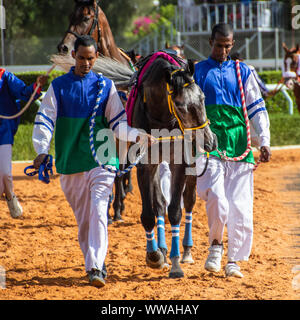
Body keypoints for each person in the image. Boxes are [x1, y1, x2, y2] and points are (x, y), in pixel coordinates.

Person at [32, 35, 155, 287]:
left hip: (102, 159)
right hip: (70, 163)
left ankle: (96, 267)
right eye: (81, 58)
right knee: (85, 221)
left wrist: (137, 135)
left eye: (90, 58)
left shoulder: (106, 86)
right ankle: (94, 261)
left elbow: (118, 125)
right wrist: (41, 149)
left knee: (100, 211)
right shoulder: (59, 87)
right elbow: (45, 118)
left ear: (96, 57)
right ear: (73, 56)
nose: (86, 63)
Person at [194, 23, 271, 278]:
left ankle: (234, 260)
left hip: (239, 144)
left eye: (228, 46)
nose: (223, 50)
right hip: (210, 144)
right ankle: (215, 245)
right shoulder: (197, 72)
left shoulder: (243, 71)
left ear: (232, 44)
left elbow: (257, 108)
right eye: (219, 45)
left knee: (240, 207)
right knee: (217, 198)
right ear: (210, 42)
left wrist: (265, 140)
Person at [0, 68, 47, 218]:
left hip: (3, 131)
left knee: (5, 173)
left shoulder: (4, 76)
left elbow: (24, 92)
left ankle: (9, 195)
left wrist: (37, 86)